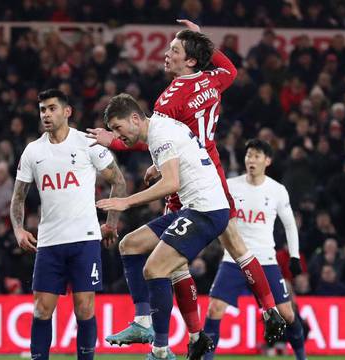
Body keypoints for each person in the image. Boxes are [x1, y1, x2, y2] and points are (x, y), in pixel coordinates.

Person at [87, 20, 286, 353]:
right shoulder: (212, 80)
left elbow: (150, 135)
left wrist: (118, 146)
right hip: (208, 163)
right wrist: (202, 39)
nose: (166, 55)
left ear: (190, 60)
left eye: (174, 50)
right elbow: (231, 71)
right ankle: (267, 310)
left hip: (189, 179)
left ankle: (179, 340)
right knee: (236, 245)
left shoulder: (168, 102)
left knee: (167, 264)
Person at [96, 93, 230, 360]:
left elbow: (171, 184)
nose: (117, 136)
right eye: (113, 131)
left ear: (135, 118)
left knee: (154, 268)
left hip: (206, 209)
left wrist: (126, 202)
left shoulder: (160, 134)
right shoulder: (161, 127)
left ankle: (160, 350)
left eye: (118, 128)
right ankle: (144, 321)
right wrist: (156, 167)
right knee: (130, 245)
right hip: (193, 207)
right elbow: (179, 156)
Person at [9, 88, 126, 360]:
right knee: (41, 310)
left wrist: (110, 223)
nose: (46, 114)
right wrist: (18, 229)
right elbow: (18, 197)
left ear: (67, 111)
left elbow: (118, 181)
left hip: (85, 239)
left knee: (84, 309)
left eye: (52, 108)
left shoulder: (87, 143)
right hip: (49, 243)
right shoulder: (32, 152)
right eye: (42, 110)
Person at [202, 139, 306, 360]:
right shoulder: (230, 185)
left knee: (287, 314)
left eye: (257, 156)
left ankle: (301, 357)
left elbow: (289, 224)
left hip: (265, 260)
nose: (251, 159)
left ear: (267, 161)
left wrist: (294, 257)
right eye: (249, 155)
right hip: (234, 259)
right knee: (214, 309)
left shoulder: (277, 190)